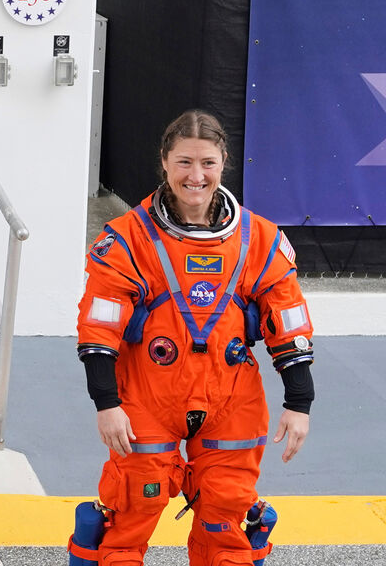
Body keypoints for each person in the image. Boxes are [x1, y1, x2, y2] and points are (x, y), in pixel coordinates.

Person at [68, 110, 314, 566]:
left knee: (225, 516)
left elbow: (289, 321)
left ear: (224, 162)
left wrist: (299, 402)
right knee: (130, 515)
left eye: (207, 162)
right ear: (164, 162)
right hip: (146, 398)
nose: (196, 175)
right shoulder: (127, 239)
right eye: (184, 162)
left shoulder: (260, 239)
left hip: (231, 400)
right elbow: (98, 330)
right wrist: (106, 404)